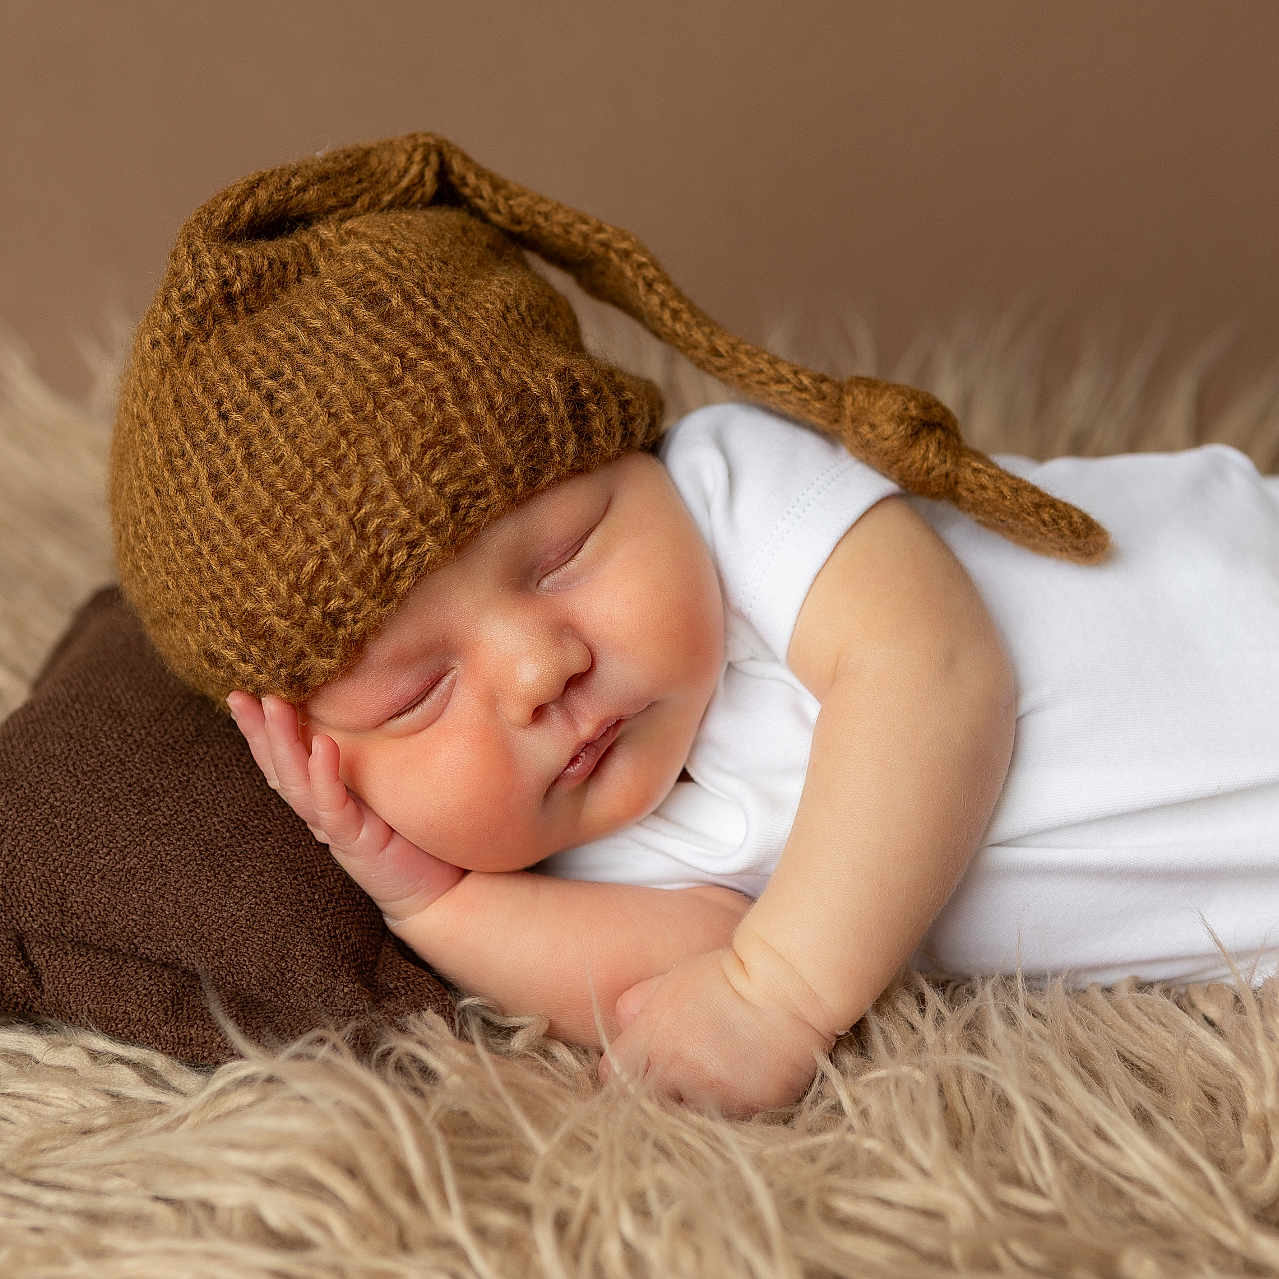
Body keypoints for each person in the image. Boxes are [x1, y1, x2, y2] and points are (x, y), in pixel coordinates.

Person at [110, 131, 1274, 1118]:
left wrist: (780, 996)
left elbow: (931, 672)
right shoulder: (590, 839)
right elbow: (682, 974)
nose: (538, 667)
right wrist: (432, 898)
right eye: (417, 694)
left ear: (632, 456)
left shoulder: (734, 492)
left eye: (563, 555)